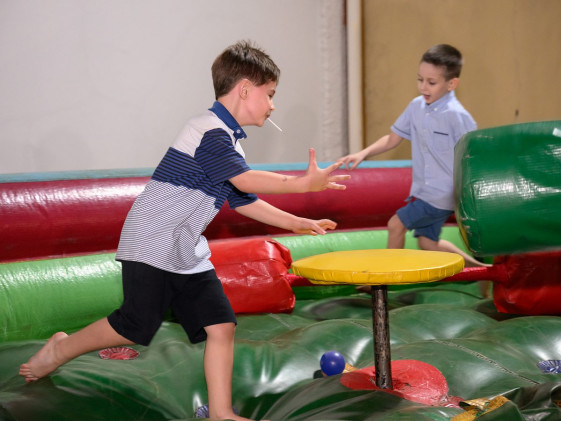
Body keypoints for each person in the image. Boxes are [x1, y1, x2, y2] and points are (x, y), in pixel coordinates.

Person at [19, 40, 350, 421]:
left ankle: (221, 412)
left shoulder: (229, 144)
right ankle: (60, 349)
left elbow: (243, 199)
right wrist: (302, 184)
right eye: (270, 94)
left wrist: (298, 222)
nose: (273, 105)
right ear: (245, 89)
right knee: (133, 326)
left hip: (184, 249)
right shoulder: (207, 130)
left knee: (221, 326)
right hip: (152, 240)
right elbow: (244, 180)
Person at [339, 43, 490, 297]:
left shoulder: (457, 115)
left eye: (431, 82)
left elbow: (472, 154)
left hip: (442, 192)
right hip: (423, 190)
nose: (423, 87)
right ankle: (483, 271)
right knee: (427, 243)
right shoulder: (416, 107)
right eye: (420, 80)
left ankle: (383, 282)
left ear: (451, 84)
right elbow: (393, 138)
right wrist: (363, 153)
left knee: (395, 224)